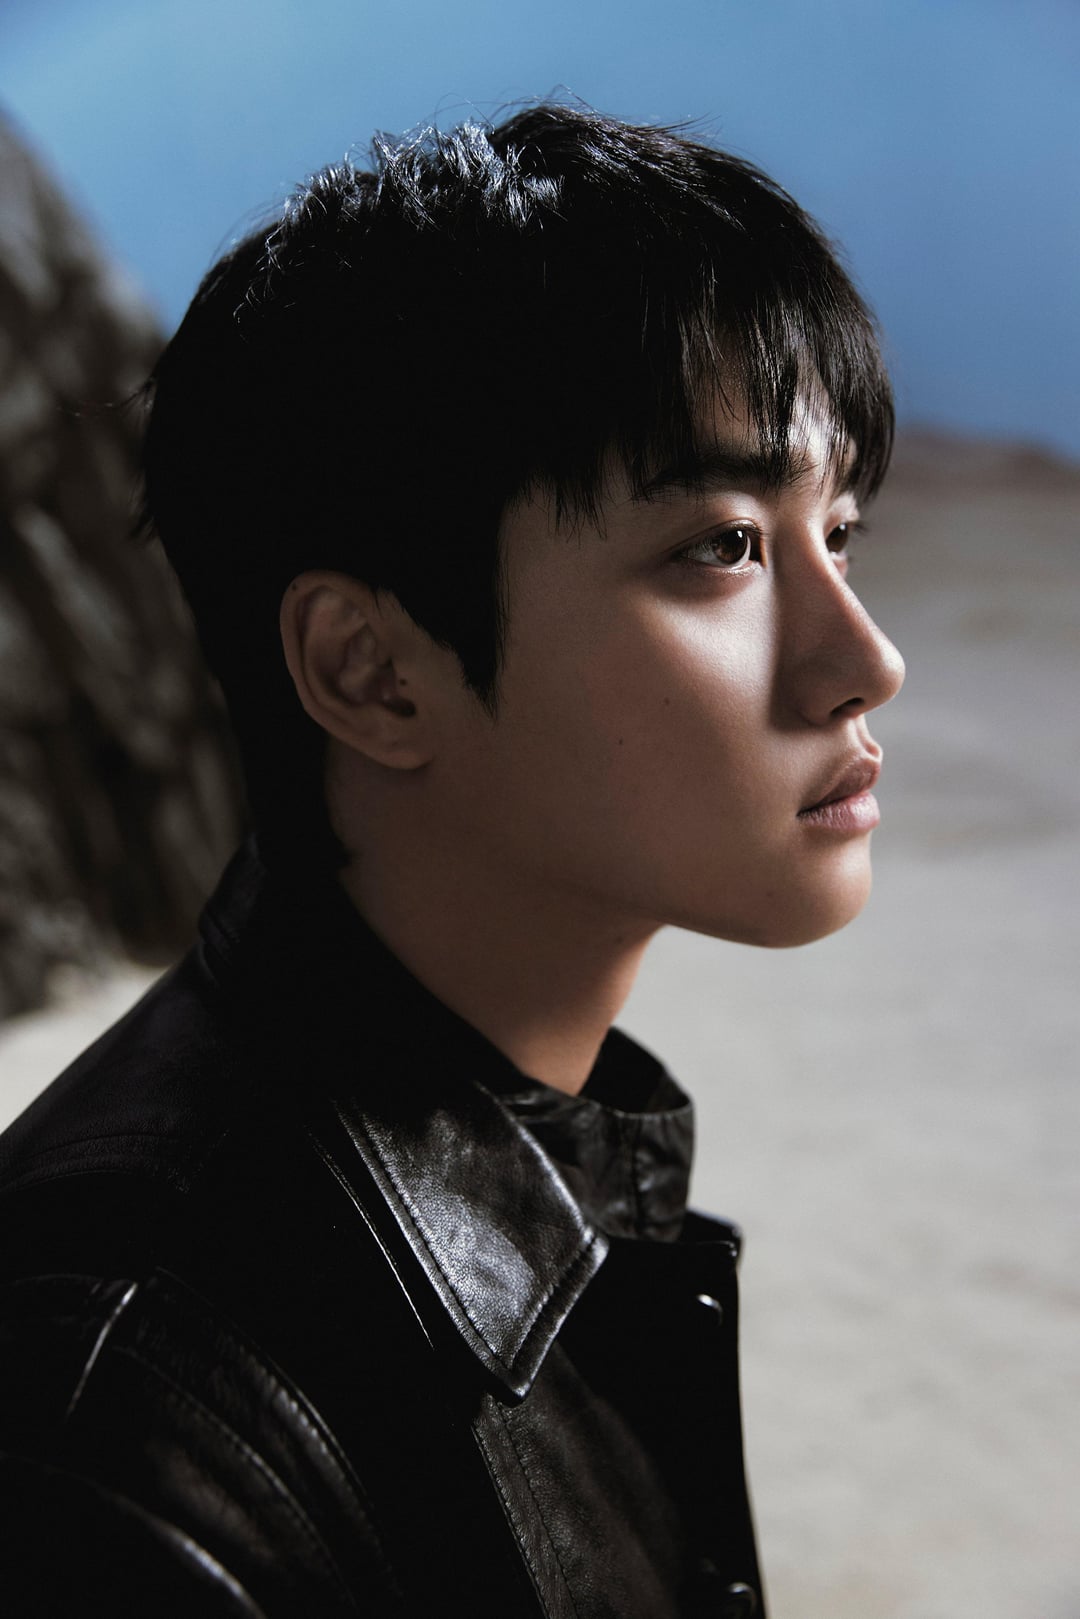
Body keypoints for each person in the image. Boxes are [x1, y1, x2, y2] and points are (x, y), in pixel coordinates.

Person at [0, 105, 904, 1617]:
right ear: (371, 671)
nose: (864, 662)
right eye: (723, 547)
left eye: (842, 531)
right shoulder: (134, 1426)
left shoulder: (527, 1122)